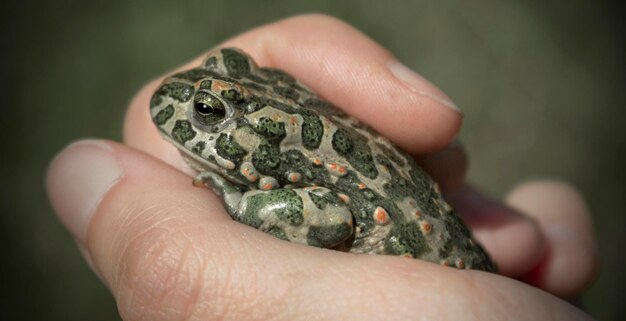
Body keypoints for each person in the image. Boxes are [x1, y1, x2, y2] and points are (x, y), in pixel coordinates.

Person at [46, 14, 598, 320]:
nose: (185, 110)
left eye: (208, 114)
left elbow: (330, 216)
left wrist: (239, 202)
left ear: (259, 143)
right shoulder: (287, 151)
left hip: (445, 269)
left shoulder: (283, 161)